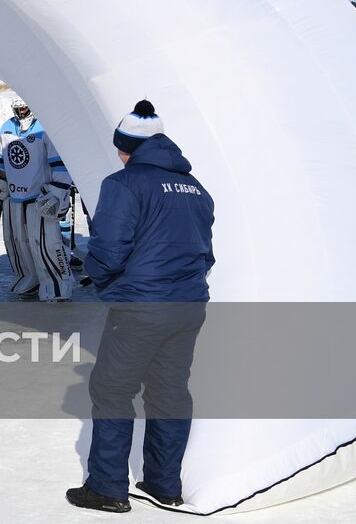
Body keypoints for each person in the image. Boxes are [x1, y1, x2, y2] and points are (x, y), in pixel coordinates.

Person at [67, 101, 214, 513]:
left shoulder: (124, 184)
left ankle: (107, 488)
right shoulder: (196, 188)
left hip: (142, 308)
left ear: (129, 146)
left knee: (112, 390)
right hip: (188, 307)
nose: (118, 155)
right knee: (169, 392)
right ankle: (164, 484)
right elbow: (206, 253)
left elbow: (108, 250)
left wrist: (105, 280)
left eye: (121, 147)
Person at [0, 97, 74, 301]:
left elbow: (60, 165)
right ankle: (29, 276)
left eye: (25, 106)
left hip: (41, 197)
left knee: (45, 241)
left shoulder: (45, 128)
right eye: (18, 107)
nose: (21, 111)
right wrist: (0, 184)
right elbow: (3, 163)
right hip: (16, 196)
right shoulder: (6, 128)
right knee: (17, 240)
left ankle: (57, 281)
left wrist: (58, 193)